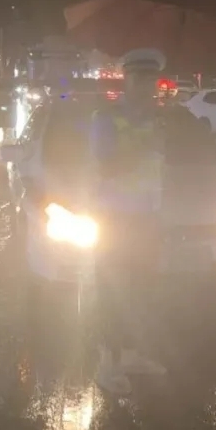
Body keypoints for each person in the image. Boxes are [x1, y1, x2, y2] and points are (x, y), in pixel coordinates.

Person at [88, 48, 170, 395]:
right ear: (127, 80)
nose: (147, 86)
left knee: (143, 290)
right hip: (115, 219)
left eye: (151, 80)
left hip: (147, 217)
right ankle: (107, 367)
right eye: (139, 79)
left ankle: (132, 355)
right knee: (113, 292)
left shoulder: (154, 119)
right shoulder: (106, 119)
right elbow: (102, 166)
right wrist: (141, 152)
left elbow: (160, 167)